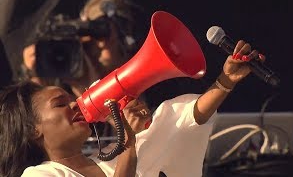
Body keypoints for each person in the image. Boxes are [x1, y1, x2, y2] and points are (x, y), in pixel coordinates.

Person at [81, 39, 264, 177]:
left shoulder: (153, 132)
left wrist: (226, 80)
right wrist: (128, 139)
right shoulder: (54, 172)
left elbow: (189, 115)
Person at [0, 81, 138, 177]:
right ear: (32, 130)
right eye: (60, 104)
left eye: (73, 100)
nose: (74, 104)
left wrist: (132, 120)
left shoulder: (113, 155)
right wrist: (128, 144)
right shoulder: (39, 174)